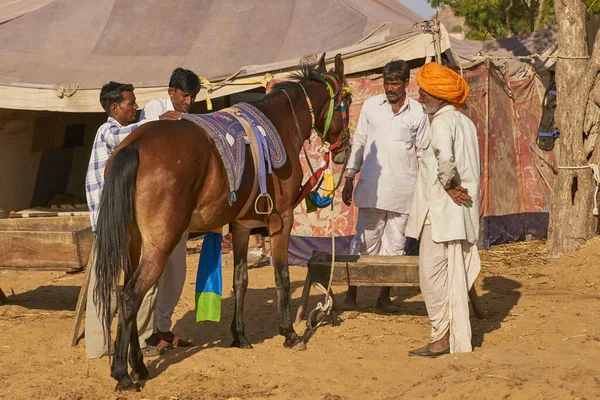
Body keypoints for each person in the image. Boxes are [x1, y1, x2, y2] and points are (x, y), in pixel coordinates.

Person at [84, 81, 182, 359]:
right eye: (131, 103)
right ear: (115, 108)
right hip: (109, 222)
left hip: (128, 223)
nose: (135, 107)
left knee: (144, 280)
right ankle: (99, 346)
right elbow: (123, 135)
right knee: (103, 283)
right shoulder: (108, 130)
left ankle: (137, 340)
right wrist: (156, 122)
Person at [406, 61, 481, 357]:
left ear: (440, 96)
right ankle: (450, 335)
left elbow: (444, 159)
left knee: (432, 276)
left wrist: (449, 184)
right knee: (452, 275)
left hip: (440, 213)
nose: (421, 98)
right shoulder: (465, 122)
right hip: (459, 213)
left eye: (425, 94)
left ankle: (441, 337)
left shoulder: (441, 122)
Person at [341, 59, 428, 312]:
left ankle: (384, 297)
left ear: (406, 83)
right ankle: (351, 294)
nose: (390, 88)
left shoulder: (418, 112)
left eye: (395, 83)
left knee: (395, 246)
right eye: (387, 83)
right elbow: (359, 143)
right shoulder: (371, 107)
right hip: (372, 189)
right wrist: (349, 176)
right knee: (364, 242)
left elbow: (423, 152)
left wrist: (425, 190)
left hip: (404, 191)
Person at [137, 67, 202, 350]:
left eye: (192, 96)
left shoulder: (189, 118)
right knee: (150, 271)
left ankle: (162, 329)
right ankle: (141, 334)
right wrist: (161, 121)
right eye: (184, 95)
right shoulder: (154, 109)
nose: (188, 101)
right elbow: (141, 144)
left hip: (177, 209)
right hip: (153, 208)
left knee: (176, 272)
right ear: (171, 92)